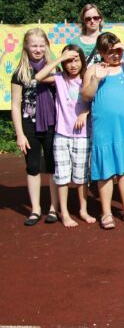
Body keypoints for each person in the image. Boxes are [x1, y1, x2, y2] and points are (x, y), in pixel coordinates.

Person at [81, 33, 124, 229]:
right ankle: (106, 213)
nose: (115, 55)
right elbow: (86, 95)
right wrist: (96, 80)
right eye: (110, 52)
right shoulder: (93, 69)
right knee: (105, 171)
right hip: (104, 128)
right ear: (101, 53)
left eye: (117, 51)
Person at [33, 46, 94, 227]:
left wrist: (85, 113)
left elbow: (97, 100)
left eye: (76, 60)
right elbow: (38, 77)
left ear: (82, 61)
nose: (72, 64)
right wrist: (60, 60)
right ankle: (64, 212)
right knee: (62, 176)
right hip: (62, 134)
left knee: (82, 176)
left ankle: (83, 209)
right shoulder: (59, 78)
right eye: (69, 61)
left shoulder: (87, 78)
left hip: (83, 135)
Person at [11, 28, 59, 226]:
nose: (38, 49)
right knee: (32, 166)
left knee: (53, 166)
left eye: (41, 45)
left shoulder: (54, 69)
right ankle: (36, 209)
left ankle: (54, 208)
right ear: (26, 47)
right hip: (29, 125)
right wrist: (19, 134)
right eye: (34, 45)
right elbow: (15, 104)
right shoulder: (20, 73)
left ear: (46, 46)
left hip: (52, 124)